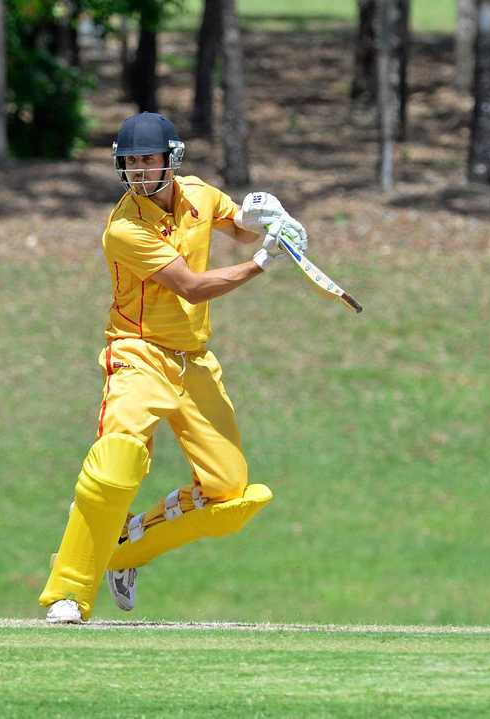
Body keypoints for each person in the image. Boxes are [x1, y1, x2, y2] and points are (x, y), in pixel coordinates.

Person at [39, 113, 308, 624]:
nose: (140, 171)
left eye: (148, 160)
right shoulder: (124, 228)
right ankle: (69, 593)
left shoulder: (199, 194)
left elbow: (239, 229)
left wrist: (267, 218)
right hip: (138, 354)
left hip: (194, 361)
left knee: (229, 492)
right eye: (131, 162)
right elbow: (190, 285)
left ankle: (127, 552)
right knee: (116, 462)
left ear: (170, 159)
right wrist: (264, 264)